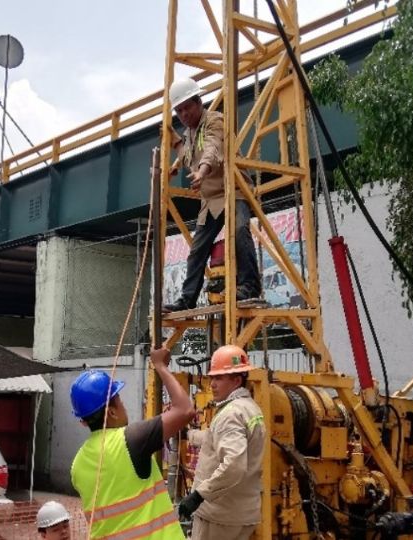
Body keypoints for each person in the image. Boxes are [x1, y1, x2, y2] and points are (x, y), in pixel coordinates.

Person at [70, 347, 195, 539]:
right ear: (111, 412)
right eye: (120, 401)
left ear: (83, 420)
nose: (123, 407)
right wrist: (160, 365)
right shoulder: (130, 440)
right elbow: (185, 410)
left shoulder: (77, 465)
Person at [163, 77, 262, 312]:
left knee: (239, 231)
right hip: (211, 200)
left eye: (187, 107)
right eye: (179, 110)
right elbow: (189, 153)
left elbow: (212, 149)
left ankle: (249, 286)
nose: (184, 114)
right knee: (198, 249)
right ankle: (187, 299)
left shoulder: (215, 121)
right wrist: (176, 158)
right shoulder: (189, 133)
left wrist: (202, 172)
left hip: (233, 190)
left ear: (199, 102)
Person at [178, 345, 266, 540]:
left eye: (218, 378)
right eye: (211, 378)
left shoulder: (231, 414)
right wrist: (189, 435)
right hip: (241, 513)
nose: (212, 384)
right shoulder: (250, 409)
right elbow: (217, 438)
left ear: (236, 380)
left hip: (219, 516)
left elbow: (234, 465)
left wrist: (199, 495)